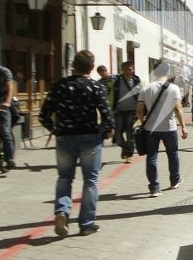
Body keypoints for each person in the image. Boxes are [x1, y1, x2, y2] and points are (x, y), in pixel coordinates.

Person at [40, 49, 111, 236]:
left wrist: (55, 129)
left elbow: (43, 115)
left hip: (64, 137)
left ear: (73, 66)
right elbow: (107, 117)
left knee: (64, 178)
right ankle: (86, 223)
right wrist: (102, 132)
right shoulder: (96, 87)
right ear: (92, 67)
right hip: (89, 138)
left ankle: (62, 211)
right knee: (91, 180)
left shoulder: (59, 86)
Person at [134, 60, 187, 197]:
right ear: (167, 72)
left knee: (151, 157)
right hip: (169, 128)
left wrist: (143, 121)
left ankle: (154, 188)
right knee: (173, 154)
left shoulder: (145, 88)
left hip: (151, 129)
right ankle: (175, 180)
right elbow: (177, 108)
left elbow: (139, 109)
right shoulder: (173, 88)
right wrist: (183, 127)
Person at [111, 61, 143, 160]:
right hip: (119, 111)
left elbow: (141, 96)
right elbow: (112, 96)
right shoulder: (116, 81)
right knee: (117, 134)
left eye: (129, 69)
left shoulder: (136, 81)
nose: (127, 71)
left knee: (130, 133)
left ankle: (129, 154)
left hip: (132, 111)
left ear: (132, 70)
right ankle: (125, 147)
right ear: (122, 70)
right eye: (125, 69)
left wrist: (141, 112)